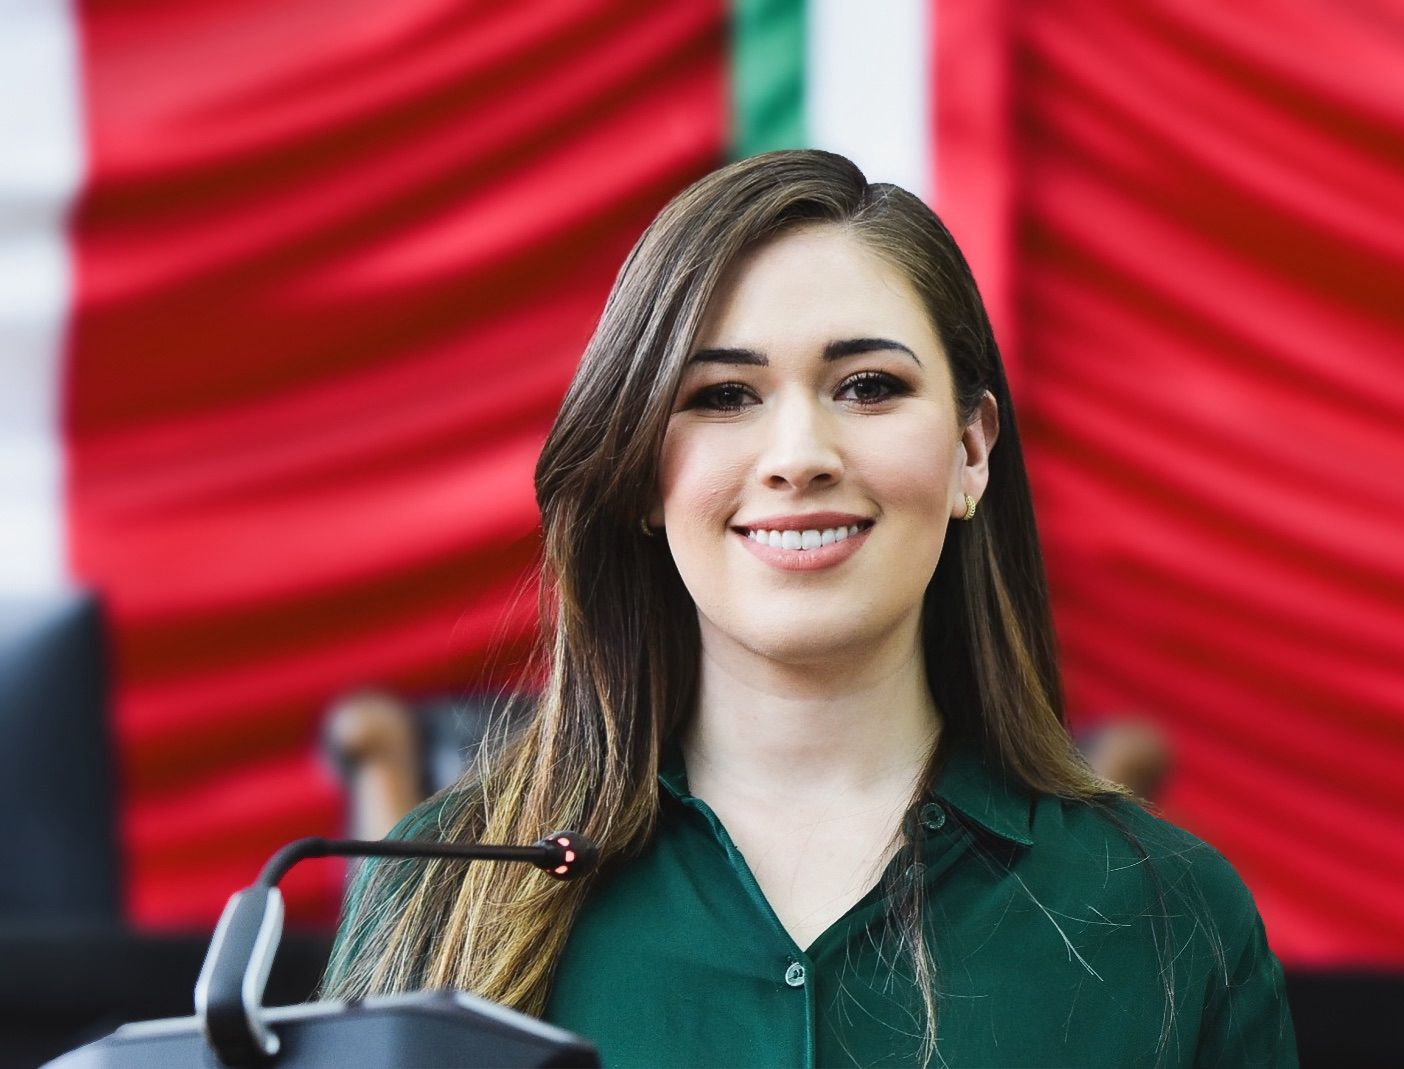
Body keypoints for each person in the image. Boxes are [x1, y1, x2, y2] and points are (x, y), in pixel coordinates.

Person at [321, 150, 1297, 1067]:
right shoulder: (436, 888)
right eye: (722, 395)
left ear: (970, 452)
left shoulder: (1172, 914)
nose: (798, 456)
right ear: (640, 473)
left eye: (867, 386)